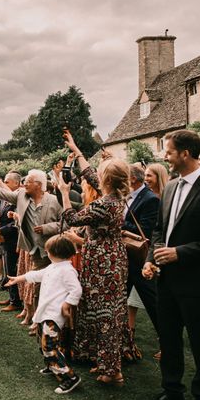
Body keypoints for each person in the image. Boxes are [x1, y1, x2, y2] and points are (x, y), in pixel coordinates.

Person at [142, 130, 200, 400]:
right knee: (169, 338)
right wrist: (151, 260)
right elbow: (158, 230)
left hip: (199, 284)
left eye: (169, 152)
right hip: (167, 281)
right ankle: (172, 390)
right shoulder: (170, 187)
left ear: (185, 154)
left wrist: (180, 253)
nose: (165, 157)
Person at [59, 129, 130, 386]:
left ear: (107, 180)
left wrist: (64, 192)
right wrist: (76, 149)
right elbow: (89, 173)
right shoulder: (118, 197)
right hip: (111, 259)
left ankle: (113, 371)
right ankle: (105, 361)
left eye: (100, 175)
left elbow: (73, 219)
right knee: (105, 313)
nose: (95, 177)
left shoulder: (104, 204)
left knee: (106, 316)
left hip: (103, 263)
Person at [0, 168, 63, 336]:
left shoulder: (54, 201)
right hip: (34, 252)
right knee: (38, 288)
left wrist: (47, 228)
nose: (24, 183)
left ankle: (53, 325)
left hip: (53, 250)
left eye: (28, 181)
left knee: (52, 289)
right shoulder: (21, 197)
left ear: (39, 185)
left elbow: (66, 223)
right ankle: (39, 323)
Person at [5, 234, 82, 394]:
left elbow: (76, 290)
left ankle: (69, 377)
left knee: (49, 345)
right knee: (43, 341)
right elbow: (36, 275)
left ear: (56, 252)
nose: (46, 253)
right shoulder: (53, 267)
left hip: (54, 315)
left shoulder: (67, 270)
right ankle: (52, 365)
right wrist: (18, 279)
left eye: (48, 250)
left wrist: (68, 304)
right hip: (44, 312)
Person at [122, 163, 160, 361]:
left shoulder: (150, 199)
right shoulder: (127, 196)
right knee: (121, 301)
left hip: (141, 258)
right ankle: (125, 343)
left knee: (152, 301)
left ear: (133, 180)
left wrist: (119, 222)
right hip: (125, 257)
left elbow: (145, 229)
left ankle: (167, 341)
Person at [0, 172, 22, 312]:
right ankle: (11, 297)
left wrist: (1, 230)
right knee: (7, 269)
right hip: (5, 240)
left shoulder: (18, 199)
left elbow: (17, 222)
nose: (4, 184)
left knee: (12, 270)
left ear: (16, 183)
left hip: (13, 240)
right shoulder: (5, 198)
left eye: (7, 181)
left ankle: (16, 301)